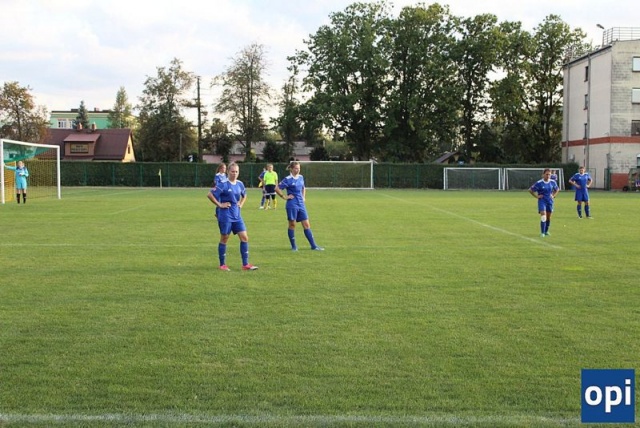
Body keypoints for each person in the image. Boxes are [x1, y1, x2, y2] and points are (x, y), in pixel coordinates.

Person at [207, 162, 258, 271]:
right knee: (224, 238)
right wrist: (220, 205)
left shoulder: (240, 184)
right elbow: (210, 195)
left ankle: (245, 264)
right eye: (232, 171)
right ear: (228, 172)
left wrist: (241, 204)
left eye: (236, 172)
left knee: (244, 237)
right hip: (225, 215)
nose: (234, 173)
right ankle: (222, 265)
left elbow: (244, 195)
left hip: (237, 215)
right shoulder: (223, 184)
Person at [275, 161, 324, 251]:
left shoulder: (301, 177)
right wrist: (284, 197)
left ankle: (313, 246)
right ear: (291, 169)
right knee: (292, 224)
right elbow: (277, 188)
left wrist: (303, 197)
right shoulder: (288, 179)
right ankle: (294, 246)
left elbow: (303, 187)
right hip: (292, 204)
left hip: (301, 204)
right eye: (296, 168)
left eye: (299, 168)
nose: (298, 170)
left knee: (306, 224)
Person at [529, 168, 560, 237]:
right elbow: (530, 190)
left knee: (548, 217)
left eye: (549, 174)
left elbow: (557, 189)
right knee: (543, 216)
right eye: (546, 174)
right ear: (543, 175)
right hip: (542, 201)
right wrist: (537, 196)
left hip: (550, 201)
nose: (548, 176)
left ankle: (546, 231)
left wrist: (553, 196)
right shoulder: (539, 183)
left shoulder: (553, 182)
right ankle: (542, 232)